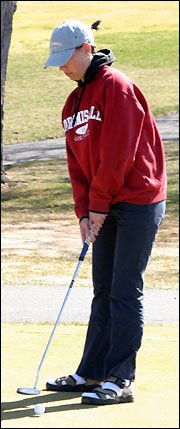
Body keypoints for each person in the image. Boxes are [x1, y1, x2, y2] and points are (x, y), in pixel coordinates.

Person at [44, 19, 167, 406]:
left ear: (86, 49)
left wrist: (98, 205)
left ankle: (121, 378)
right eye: (57, 60)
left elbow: (119, 154)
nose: (62, 67)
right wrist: (85, 212)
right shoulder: (73, 102)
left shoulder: (117, 87)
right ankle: (93, 371)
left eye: (67, 58)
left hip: (137, 200)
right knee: (103, 289)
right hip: (102, 203)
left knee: (125, 288)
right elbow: (77, 164)